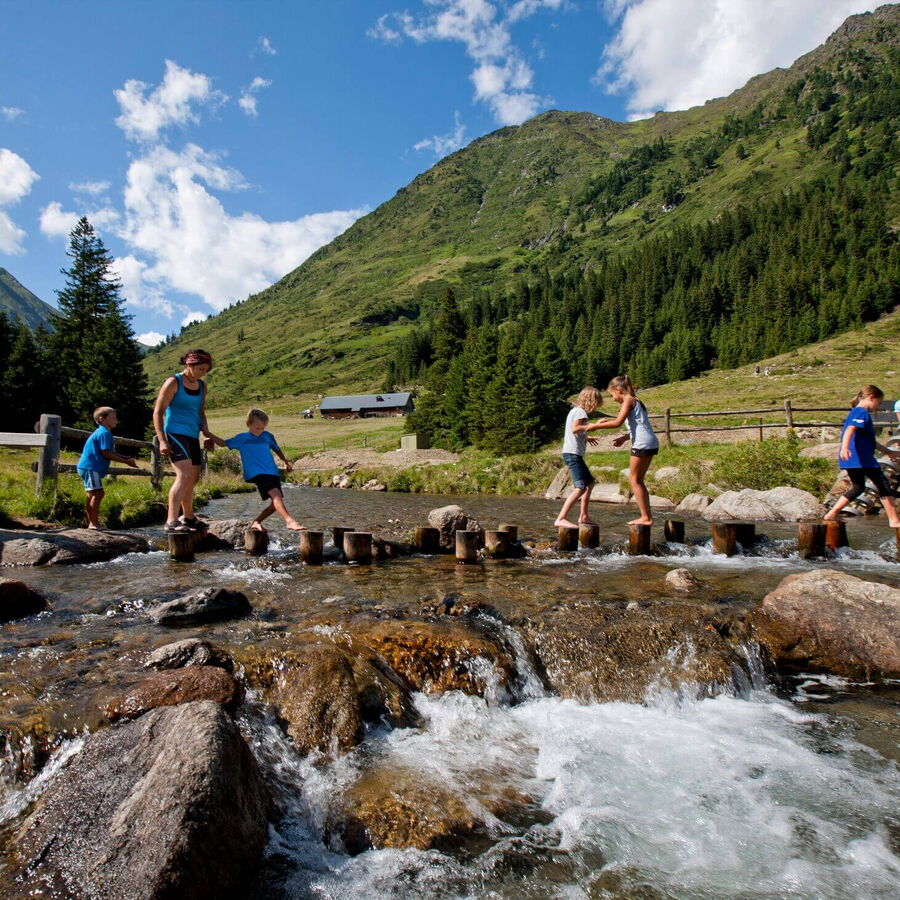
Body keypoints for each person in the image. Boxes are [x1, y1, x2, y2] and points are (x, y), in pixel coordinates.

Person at [211, 408, 306, 532]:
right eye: (257, 428)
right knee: (276, 494)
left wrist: (285, 462)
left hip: (272, 471)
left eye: (263, 428)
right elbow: (223, 443)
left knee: (275, 504)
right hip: (256, 473)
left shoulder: (268, 436)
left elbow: (276, 449)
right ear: (249, 424)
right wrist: (207, 434)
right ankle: (290, 521)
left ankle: (256, 522)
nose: (260, 431)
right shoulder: (242, 438)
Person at [153, 349, 215, 533]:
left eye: (206, 370)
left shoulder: (202, 386)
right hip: (175, 433)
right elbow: (157, 412)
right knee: (184, 475)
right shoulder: (173, 382)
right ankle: (171, 520)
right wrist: (163, 441)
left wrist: (206, 435)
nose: (203, 372)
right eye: (201, 368)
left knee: (193, 478)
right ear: (190, 364)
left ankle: (188, 517)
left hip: (192, 434)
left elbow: (201, 412)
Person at [823, 385, 900, 527]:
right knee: (883, 485)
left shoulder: (855, 412)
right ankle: (894, 520)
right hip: (861, 458)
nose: (879, 406)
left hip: (854, 459)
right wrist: (845, 448)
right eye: (879, 402)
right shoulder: (861, 412)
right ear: (871, 397)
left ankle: (832, 513)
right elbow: (850, 430)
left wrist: (888, 452)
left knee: (858, 487)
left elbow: (871, 441)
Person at [590, 375, 660, 526]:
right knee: (638, 481)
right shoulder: (637, 400)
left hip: (642, 443)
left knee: (634, 481)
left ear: (619, 390)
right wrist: (625, 437)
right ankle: (647, 516)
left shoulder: (628, 400)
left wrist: (594, 426)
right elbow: (640, 425)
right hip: (650, 441)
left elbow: (617, 422)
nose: (613, 398)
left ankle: (646, 518)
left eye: (612, 395)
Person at [75, 407, 139, 529]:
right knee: (98, 493)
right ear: (102, 419)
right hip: (91, 467)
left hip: (89, 467)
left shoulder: (103, 432)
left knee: (92, 494)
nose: (116, 420)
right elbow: (106, 453)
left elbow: (110, 451)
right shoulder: (104, 433)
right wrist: (125, 462)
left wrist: (125, 458)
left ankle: (91, 522)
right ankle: (93, 523)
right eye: (113, 417)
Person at [554, 387, 602, 529]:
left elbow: (575, 431)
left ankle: (584, 516)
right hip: (573, 454)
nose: (595, 407)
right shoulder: (580, 412)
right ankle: (560, 518)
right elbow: (575, 429)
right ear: (591, 401)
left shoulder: (574, 411)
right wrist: (595, 425)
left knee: (590, 484)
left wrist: (586, 437)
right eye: (596, 403)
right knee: (581, 488)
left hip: (572, 453)